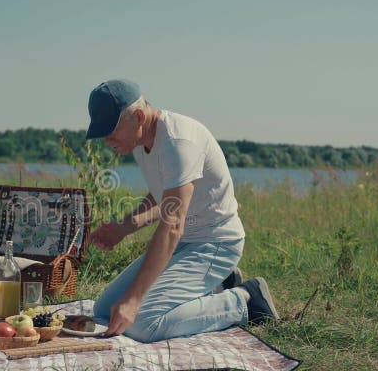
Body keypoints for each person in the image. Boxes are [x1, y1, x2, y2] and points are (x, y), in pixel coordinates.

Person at [85, 79, 279, 343]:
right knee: (104, 311)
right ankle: (218, 285)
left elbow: (172, 226)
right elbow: (164, 195)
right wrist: (123, 228)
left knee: (142, 323)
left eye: (110, 131)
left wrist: (133, 299)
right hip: (186, 244)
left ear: (139, 116)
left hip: (216, 243)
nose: (106, 140)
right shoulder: (142, 142)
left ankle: (245, 300)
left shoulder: (178, 142)